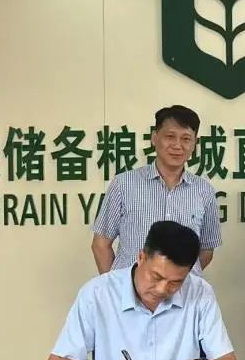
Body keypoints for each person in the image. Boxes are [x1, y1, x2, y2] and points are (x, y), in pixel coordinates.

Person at [46, 220, 238, 360]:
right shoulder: (98, 293)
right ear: (141, 257)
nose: (162, 289)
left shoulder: (200, 292)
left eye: (175, 282)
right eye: (156, 277)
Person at [91, 105, 222, 276]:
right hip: (132, 291)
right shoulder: (124, 184)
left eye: (186, 139)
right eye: (170, 136)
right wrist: (119, 286)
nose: (177, 145)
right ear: (154, 138)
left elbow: (206, 250)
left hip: (183, 291)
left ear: (195, 143)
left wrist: (174, 280)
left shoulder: (204, 191)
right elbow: (100, 245)